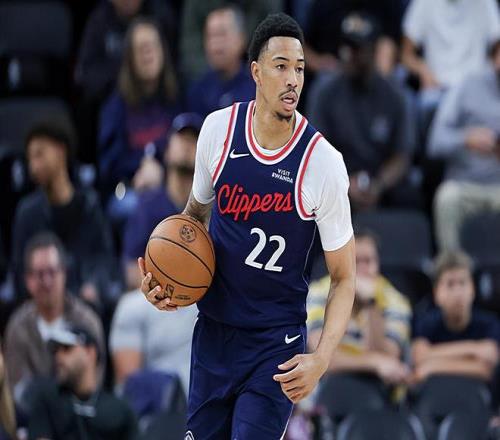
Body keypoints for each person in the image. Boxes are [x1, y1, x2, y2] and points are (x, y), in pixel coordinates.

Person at [140, 13, 356, 439]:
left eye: (300, 69)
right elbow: (193, 219)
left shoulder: (323, 163)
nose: (293, 79)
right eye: (281, 66)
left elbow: (344, 276)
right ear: (256, 72)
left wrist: (321, 358)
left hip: (275, 344)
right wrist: (164, 281)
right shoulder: (218, 131)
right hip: (214, 334)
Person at [308, 12, 415, 211]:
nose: (348, 54)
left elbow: (402, 157)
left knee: (410, 196)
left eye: (356, 49)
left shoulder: (395, 96)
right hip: (336, 179)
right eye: (345, 47)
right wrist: (346, 183)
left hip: (380, 182)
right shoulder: (325, 92)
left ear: (373, 51)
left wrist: (378, 185)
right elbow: (315, 151)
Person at [11, 116, 114, 304]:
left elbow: (105, 260)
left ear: (60, 151)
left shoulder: (89, 205)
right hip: (42, 308)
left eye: (39, 154)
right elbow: (20, 273)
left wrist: (94, 285)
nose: (33, 167)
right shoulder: (27, 213)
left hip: (86, 308)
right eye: (30, 159)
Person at [4, 233, 105, 400]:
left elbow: (94, 381)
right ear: (28, 280)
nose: (47, 281)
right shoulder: (18, 327)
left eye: (52, 272)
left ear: (64, 273)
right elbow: (19, 391)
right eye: (39, 274)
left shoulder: (87, 321)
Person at [98, 17, 180, 221]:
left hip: (175, 185)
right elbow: (108, 163)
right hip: (132, 189)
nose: (148, 53)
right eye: (141, 49)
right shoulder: (115, 106)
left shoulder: (179, 96)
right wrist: (139, 167)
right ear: (130, 59)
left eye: (152, 46)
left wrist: (162, 170)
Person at [308, 231, 411, 386]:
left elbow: (388, 359)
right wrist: (373, 361)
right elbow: (320, 357)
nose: (362, 269)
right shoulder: (318, 293)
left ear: (378, 263)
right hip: (323, 387)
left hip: (376, 388)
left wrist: (370, 303)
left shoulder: (396, 302)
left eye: (368, 261)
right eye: (355, 260)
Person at [428, 39, 500, 252]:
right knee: (446, 198)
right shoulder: (468, 85)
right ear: (493, 56)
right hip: (464, 184)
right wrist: (465, 139)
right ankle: (452, 267)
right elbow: (435, 141)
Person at [122, 113, 200, 290]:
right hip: (153, 295)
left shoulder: (211, 207)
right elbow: (131, 270)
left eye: (194, 140)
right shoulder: (148, 204)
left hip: (197, 295)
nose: (187, 145)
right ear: (167, 151)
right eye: (181, 139)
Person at [28, 325, 137, 440]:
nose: (58, 357)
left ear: (90, 353)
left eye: (67, 349)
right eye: (56, 351)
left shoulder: (119, 410)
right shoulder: (47, 400)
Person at [401, 0, 500, 120]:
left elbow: (497, 49)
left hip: (476, 89)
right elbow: (406, 55)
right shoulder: (423, 3)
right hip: (437, 88)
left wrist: (489, 77)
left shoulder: (485, 2)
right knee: (426, 105)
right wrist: (423, 71)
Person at [412, 251, 499, 384]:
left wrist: (432, 366)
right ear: (437, 293)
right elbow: (419, 357)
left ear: (472, 289)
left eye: (462, 283)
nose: (458, 293)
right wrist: (474, 350)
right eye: (450, 284)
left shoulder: (489, 323)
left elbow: (488, 366)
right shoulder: (425, 323)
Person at [186, 6, 255, 118]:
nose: (216, 45)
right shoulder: (197, 90)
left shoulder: (257, 86)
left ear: (241, 38)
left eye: (222, 35)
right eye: (210, 36)